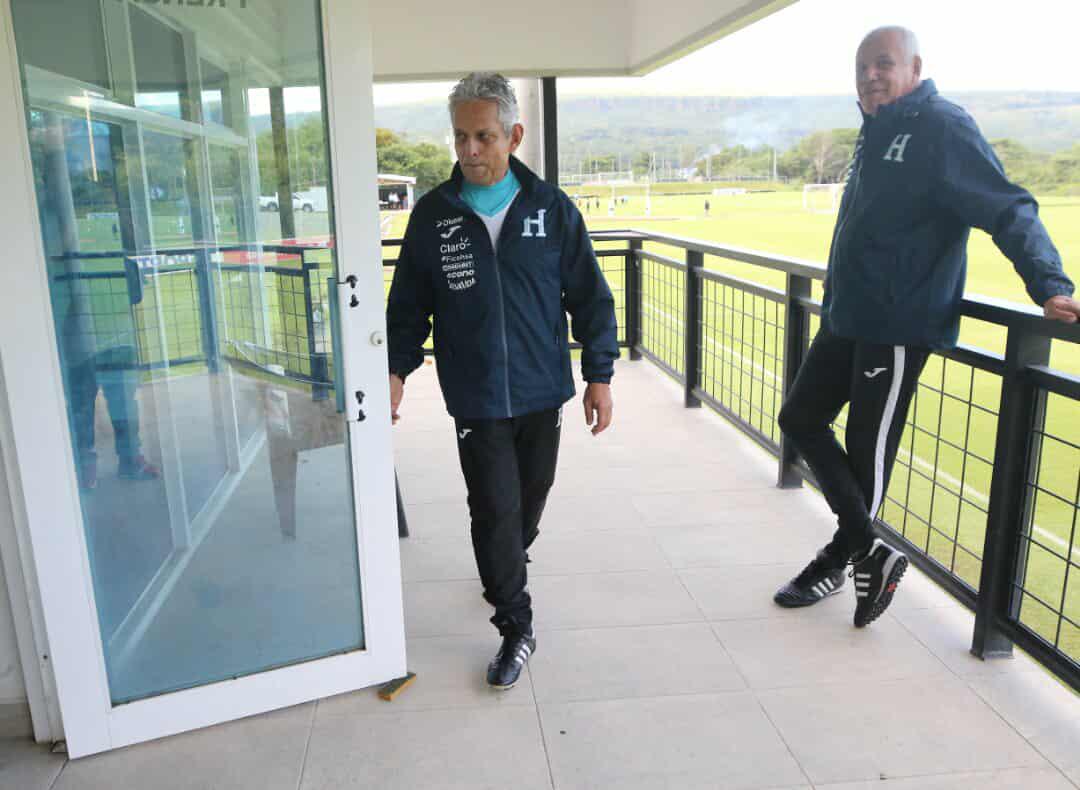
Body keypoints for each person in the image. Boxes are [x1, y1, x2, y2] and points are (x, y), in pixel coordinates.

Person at [774, 26, 1078, 627]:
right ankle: (869, 550)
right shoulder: (875, 129)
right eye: (862, 68)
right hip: (847, 317)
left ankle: (844, 559)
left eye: (883, 64)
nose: (869, 77)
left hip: (896, 322)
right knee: (799, 418)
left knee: (866, 456)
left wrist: (1049, 283)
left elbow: (1007, 205)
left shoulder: (942, 126)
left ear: (915, 67)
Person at [386, 73, 618, 688]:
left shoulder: (551, 209)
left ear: (513, 136)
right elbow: (409, 304)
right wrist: (395, 370)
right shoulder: (434, 215)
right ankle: (516, 624)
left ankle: (506, 563)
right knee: (493, 507)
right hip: (477, 394)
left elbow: (591, 298)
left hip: (544, 389)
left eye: (484, 137)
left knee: (527, 503)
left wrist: (600, 373)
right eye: (460, 138)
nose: (470, 151)